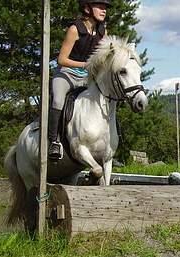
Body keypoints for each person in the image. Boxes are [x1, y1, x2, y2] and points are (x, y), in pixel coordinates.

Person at [48, 0, 110, 160]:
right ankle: (53, 141)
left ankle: (108, 143)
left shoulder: (102, 31)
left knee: (105, 97)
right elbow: (61, 59)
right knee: (58, 101)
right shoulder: (75, 29)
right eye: (100, 7)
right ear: (87, 8)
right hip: (66, 74)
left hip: (86, 77)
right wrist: (85, 64)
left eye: (105, 8)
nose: (104, 10)